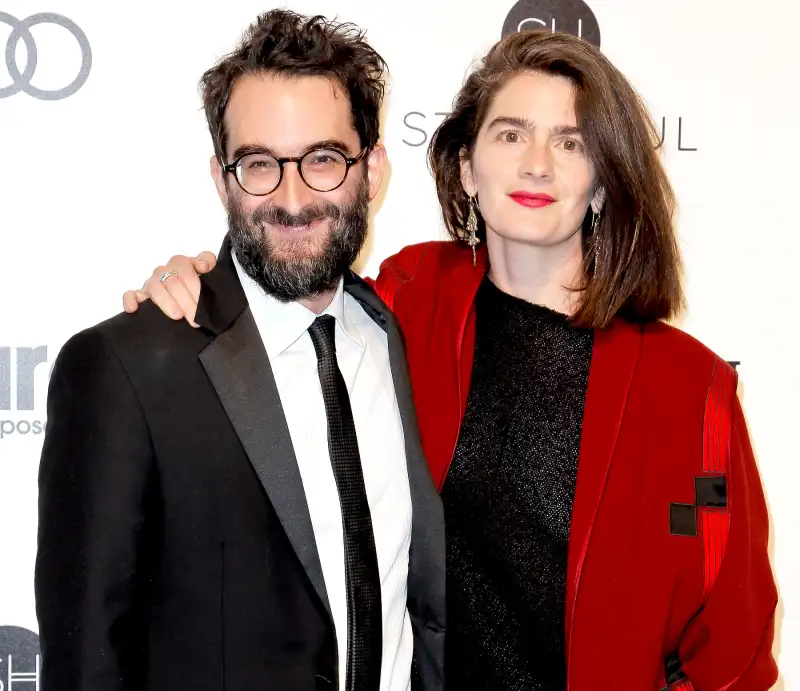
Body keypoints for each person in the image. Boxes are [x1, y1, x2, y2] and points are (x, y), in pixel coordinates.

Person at [124, 28, 779, 691]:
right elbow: (285, 298)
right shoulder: (407, 305)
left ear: (604, 181)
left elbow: (736, 641)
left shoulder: (689, 389)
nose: (537, 164)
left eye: (571, 142)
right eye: (510, 134)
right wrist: (196, 282)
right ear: (467, 167)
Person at [35, 10, 445, 691]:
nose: (290, 199)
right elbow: (85, 666)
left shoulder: (393, 338)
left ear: (372, 168)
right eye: (259, 164)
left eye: (322, 160)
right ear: (222, 178)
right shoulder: (126, 369)